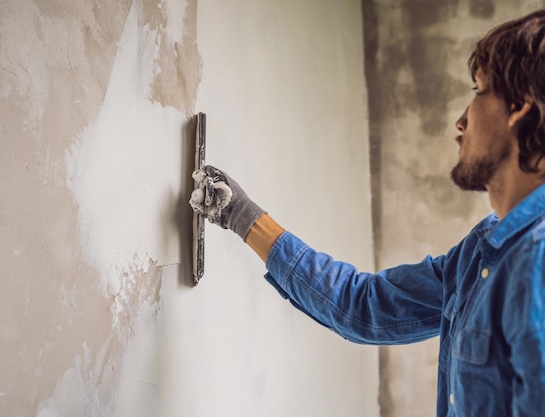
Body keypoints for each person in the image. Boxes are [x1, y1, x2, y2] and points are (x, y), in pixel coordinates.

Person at [189, 9, 545, 417]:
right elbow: (366, 307)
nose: (461, 120)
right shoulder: (478, 255)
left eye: (478, 90)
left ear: (518, 107)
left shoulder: (537, 262)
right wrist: (241, 214)